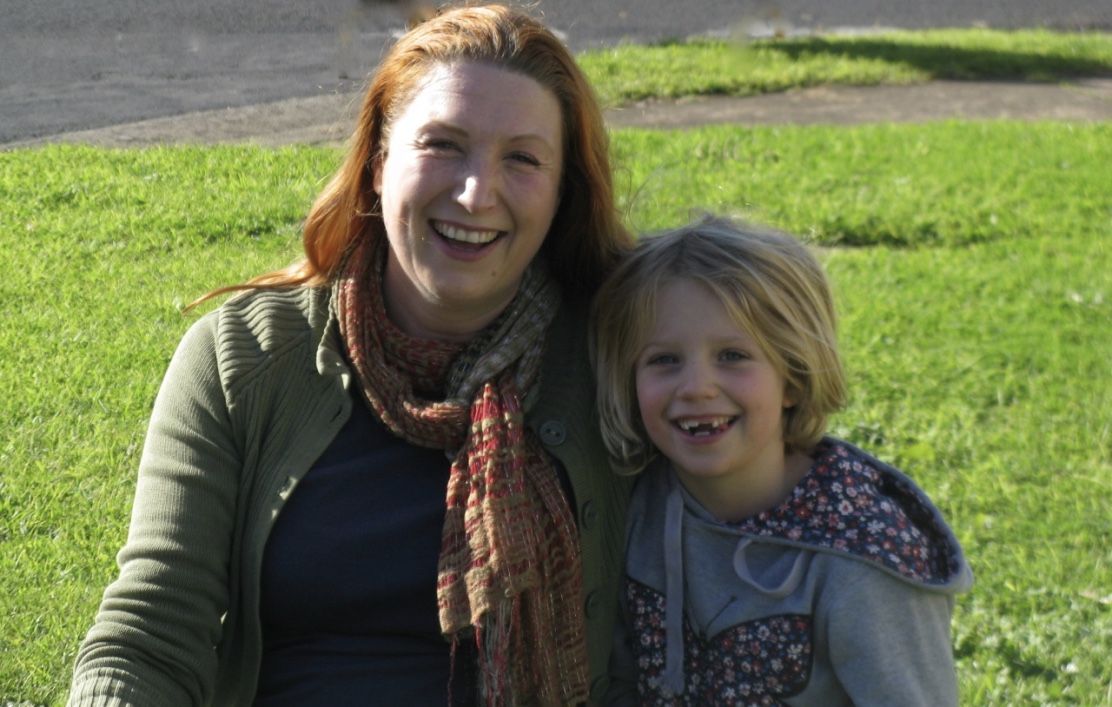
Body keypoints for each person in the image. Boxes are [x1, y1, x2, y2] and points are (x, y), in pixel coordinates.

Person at [67, 5, 633, 706]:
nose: (475, 192)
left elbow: (762, 504)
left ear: (561, 193)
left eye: (522, 158)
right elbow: (151, 630)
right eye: (443, 144)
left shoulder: (624, 359)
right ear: (376, 164)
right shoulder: (246, 356)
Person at [591, 216, 973, 705]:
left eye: (732, 356)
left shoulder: (862, 560)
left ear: (792, 376)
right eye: (664, 360)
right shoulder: (637, 507)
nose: (696, 387)